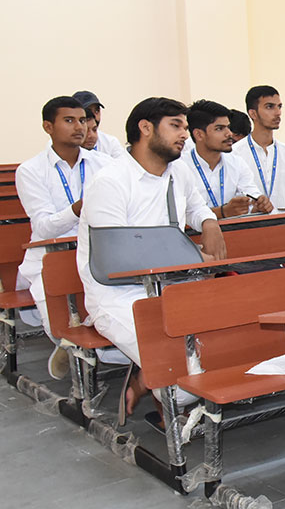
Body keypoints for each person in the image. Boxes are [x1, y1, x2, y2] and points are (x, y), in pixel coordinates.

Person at [77, 98, 227, 424]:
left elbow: (196, 206)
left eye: (185, 126)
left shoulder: (179, 171)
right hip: (120, 296)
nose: (185, 134)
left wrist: (209, 223)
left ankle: (146, 376)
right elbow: (117, 261)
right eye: (175, 125)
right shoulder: (110, 181)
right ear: (145, 128)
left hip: (172, 289)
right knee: (185, 386)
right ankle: (149, 378)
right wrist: (190, 257)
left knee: (228, 347)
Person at [15, 97, 114, 377]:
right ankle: (73, 343)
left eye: (83, 120)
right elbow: (44, 228)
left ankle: (87, 342)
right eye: (69, 121)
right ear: (48, 127)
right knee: (61, 327)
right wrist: (78, 208)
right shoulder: (31, 170)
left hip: (98, 253)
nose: (79, 127)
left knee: (116, 314)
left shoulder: (105, 165)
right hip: (52, 257)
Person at [186, 100, 271, 217]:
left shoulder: (237, 162)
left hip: (235, 228)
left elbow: (252, 195)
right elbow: (181, 214)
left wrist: (259, 206)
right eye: (219, 129)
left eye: (228, 127)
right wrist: (222, 212)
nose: (229, 133)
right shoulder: (180, 167)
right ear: (199, 134)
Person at [233, 85, 285, 211]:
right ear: (253, 113)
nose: (278, 113)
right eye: (269, 107)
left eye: (279, 106)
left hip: (284, 220)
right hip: (250, 221)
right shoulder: (235, 153)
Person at [72, 91, 124, 158]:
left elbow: (123, 163)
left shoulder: (110, 142)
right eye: (88, 111)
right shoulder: (66, 144)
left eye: (97, 111)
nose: (94, 116)